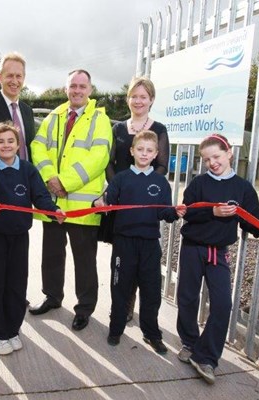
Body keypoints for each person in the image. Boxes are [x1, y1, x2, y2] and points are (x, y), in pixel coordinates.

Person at [29, 69, 113, 331]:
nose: (77, 90)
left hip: (81, 205)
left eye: (82, 86)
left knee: (84, 260)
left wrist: (65, 182)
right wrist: (50, 177)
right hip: (53, 203)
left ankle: (84, 308)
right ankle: (52, 297)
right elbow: (37, 147)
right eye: (72, 86)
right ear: (66, 89)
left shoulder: (99, 119)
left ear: (90, 90)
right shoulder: (54, 117)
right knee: (52, 255)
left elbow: (99, 158)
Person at [0, 122, 65, 355]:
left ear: (18, 144)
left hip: (19, 237)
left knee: (16, 284)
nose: (6, 145)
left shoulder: (28, 169)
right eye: (1, 141)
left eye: (10, 141)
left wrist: (53, 212)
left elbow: (41, 196)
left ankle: (12, 329)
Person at [176, 134, 259, 384]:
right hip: (192, 248)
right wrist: (211, 211)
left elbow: (252, 220)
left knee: (223, 304)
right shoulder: (199, 183)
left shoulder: (243, 188)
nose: (212, 162)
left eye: (217, 156)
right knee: (188, 298)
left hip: (219, 253)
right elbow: (187, 212)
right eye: (206, 159)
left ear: (229, 154)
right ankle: (190, 343)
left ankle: (207, 357)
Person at [95, 130, 185, 352]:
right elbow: (107, 202)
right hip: (124, 243)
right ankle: (116, 329)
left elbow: (164, 212)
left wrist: (175, 212)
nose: (144, 154)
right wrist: (99, 202)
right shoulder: (121, 178)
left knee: (151, 290)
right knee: (120, 288)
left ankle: (151, 333)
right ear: (132, 151)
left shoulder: (160, 182)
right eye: (140, 149)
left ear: (155, 154)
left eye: (149, 150)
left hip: (149, 244)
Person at [105, 76, 170, 323]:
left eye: (143, 96)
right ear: (128, 99)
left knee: (141, 259)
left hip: (145, 207)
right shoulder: (118, 129)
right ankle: (121, 308)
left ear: (151, 100)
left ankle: (134, 311)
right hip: (121, 203)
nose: (138, 100)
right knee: (122, 260)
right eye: (134, 96)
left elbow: (162, 165)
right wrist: (119, 189)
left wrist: (143, 188)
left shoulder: (159, 129)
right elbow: (110, 163)